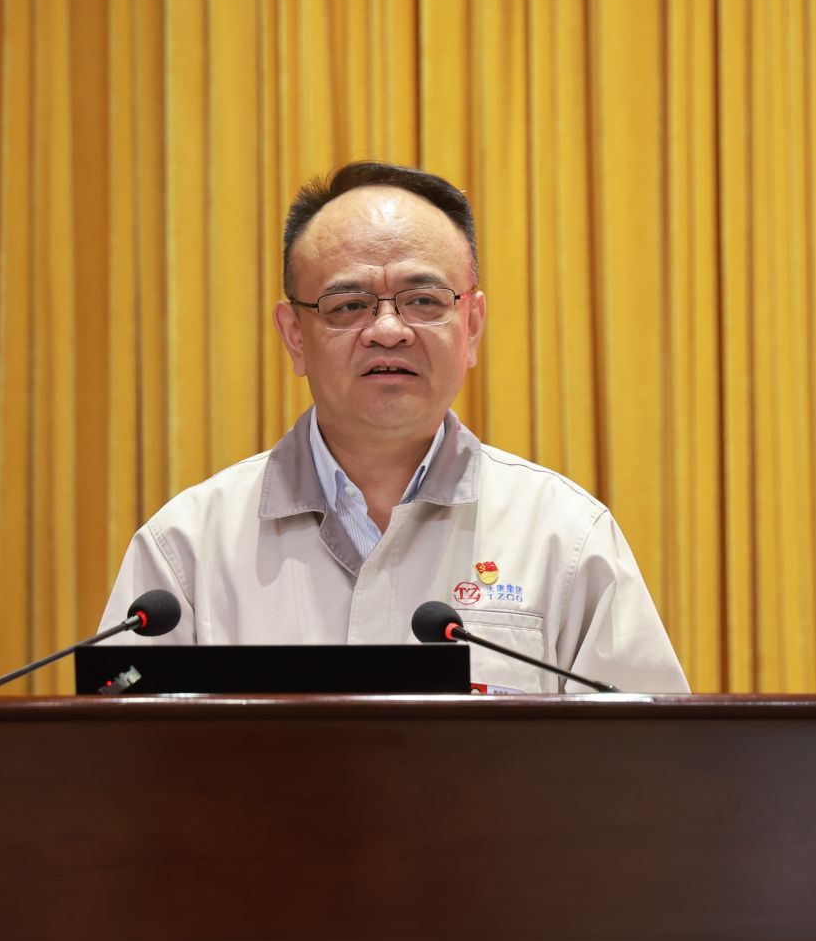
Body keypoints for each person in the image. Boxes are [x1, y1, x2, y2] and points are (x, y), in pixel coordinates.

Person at [98, 160, 689, 692]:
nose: (387, 330)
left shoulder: (564, 537)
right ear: (295, 335)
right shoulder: (187, 548)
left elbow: (652, 762)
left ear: (472, 325)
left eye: (424, 300)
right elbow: (118, 762)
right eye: (348, 305)